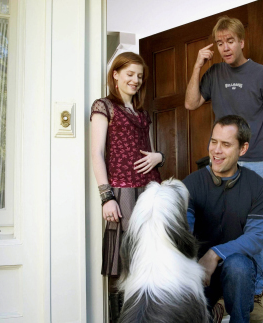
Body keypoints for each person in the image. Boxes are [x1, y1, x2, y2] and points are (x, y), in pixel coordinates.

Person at [185, 15, 263, 321]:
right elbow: (190, 103)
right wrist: (198, 65)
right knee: (217, 221)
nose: (225, 48)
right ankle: (217, 295)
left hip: (253, 159)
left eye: (230, 41)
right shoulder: (213, 73)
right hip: (220, 161)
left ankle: (254, 294)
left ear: (241, 41)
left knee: (253, 229)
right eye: (220, 42)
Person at [90, 52, 164, 322]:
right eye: (130, 74)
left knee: (150, 257)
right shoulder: (104, 106)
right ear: (116, 75)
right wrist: (106, 197)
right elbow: (96, 153)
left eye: (140, 76)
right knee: (123, 263)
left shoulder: (142, 113)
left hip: (150, 190)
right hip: (122, 192)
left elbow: (151, 151)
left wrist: (160, 157)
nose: (135, 80)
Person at [183, 115, 263, 323]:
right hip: (201, 274)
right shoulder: (191, 184)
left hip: (237, 273)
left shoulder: (256, 186)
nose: (216, 150)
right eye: (214, 142)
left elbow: (256, 237)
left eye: (226, 144)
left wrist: (215, 254)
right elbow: (184, 231)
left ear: (243, 149)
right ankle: (213, 309)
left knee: (238, 265)